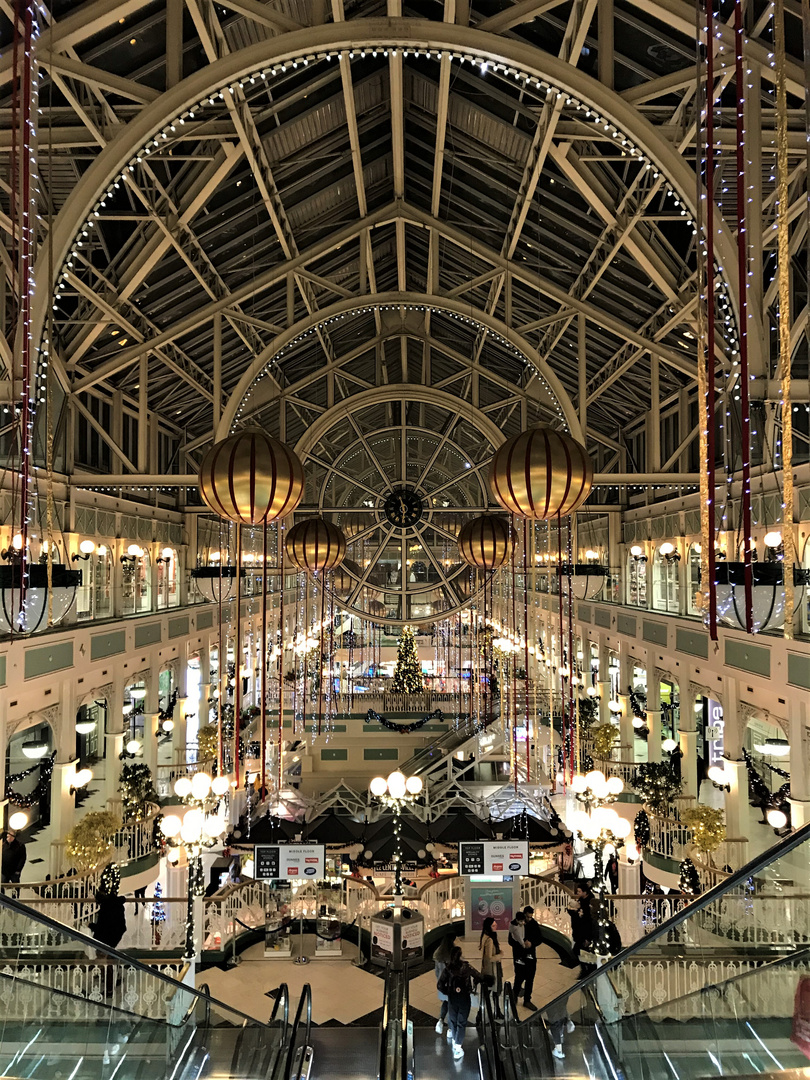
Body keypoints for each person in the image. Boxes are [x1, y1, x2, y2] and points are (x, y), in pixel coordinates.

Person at [439, 945, 481, 1060]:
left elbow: (440, 985)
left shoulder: (448, 969)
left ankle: (453, 1038)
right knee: (462, 1021)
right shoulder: (466, 967)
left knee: (453, 1017)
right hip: (464, 997)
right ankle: (458, 1047)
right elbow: (478, 976)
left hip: (452, 997)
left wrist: (448, 992)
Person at [433, 930, 457, 1035]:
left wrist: (440, 980)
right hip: (452, 985)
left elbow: (436, 971)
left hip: (442, 984)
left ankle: (441, 1020)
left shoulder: (439, 952)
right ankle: (450, 1029)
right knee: (452, 1006)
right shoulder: (453, 952)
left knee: (445, 1003)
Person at [520, 906, 543, 1010]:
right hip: (520, 954)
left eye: (530, 917)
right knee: (520, 976)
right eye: (527, 917)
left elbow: (539, 939)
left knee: (530, 977)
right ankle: (515, 993)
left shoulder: (534, 924)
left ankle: (527, 1000)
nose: (529, 919)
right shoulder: (518, 924)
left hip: (530, 954)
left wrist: (531, 943)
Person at [478, 916, 501, 998]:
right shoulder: (490, 940)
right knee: (491, 989)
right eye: (493, 926)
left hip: (486, 969)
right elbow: (489, 957)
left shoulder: (485, 936)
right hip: (490, 970)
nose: (496, 927)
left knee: (487, 990)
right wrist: (500, 955)